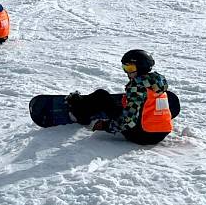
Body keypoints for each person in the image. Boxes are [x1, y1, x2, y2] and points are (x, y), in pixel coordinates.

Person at [31, 49, 179, 146]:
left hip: (141, 135)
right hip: (160, 134)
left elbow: (129, 121)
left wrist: (107, 126)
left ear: (140, 68)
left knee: (102, 95)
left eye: (130, 68)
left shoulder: (137, 88)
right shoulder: (158, 84)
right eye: (125, 68)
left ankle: (78, 113)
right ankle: (119, 105)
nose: (127, 72)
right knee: (124, 104)